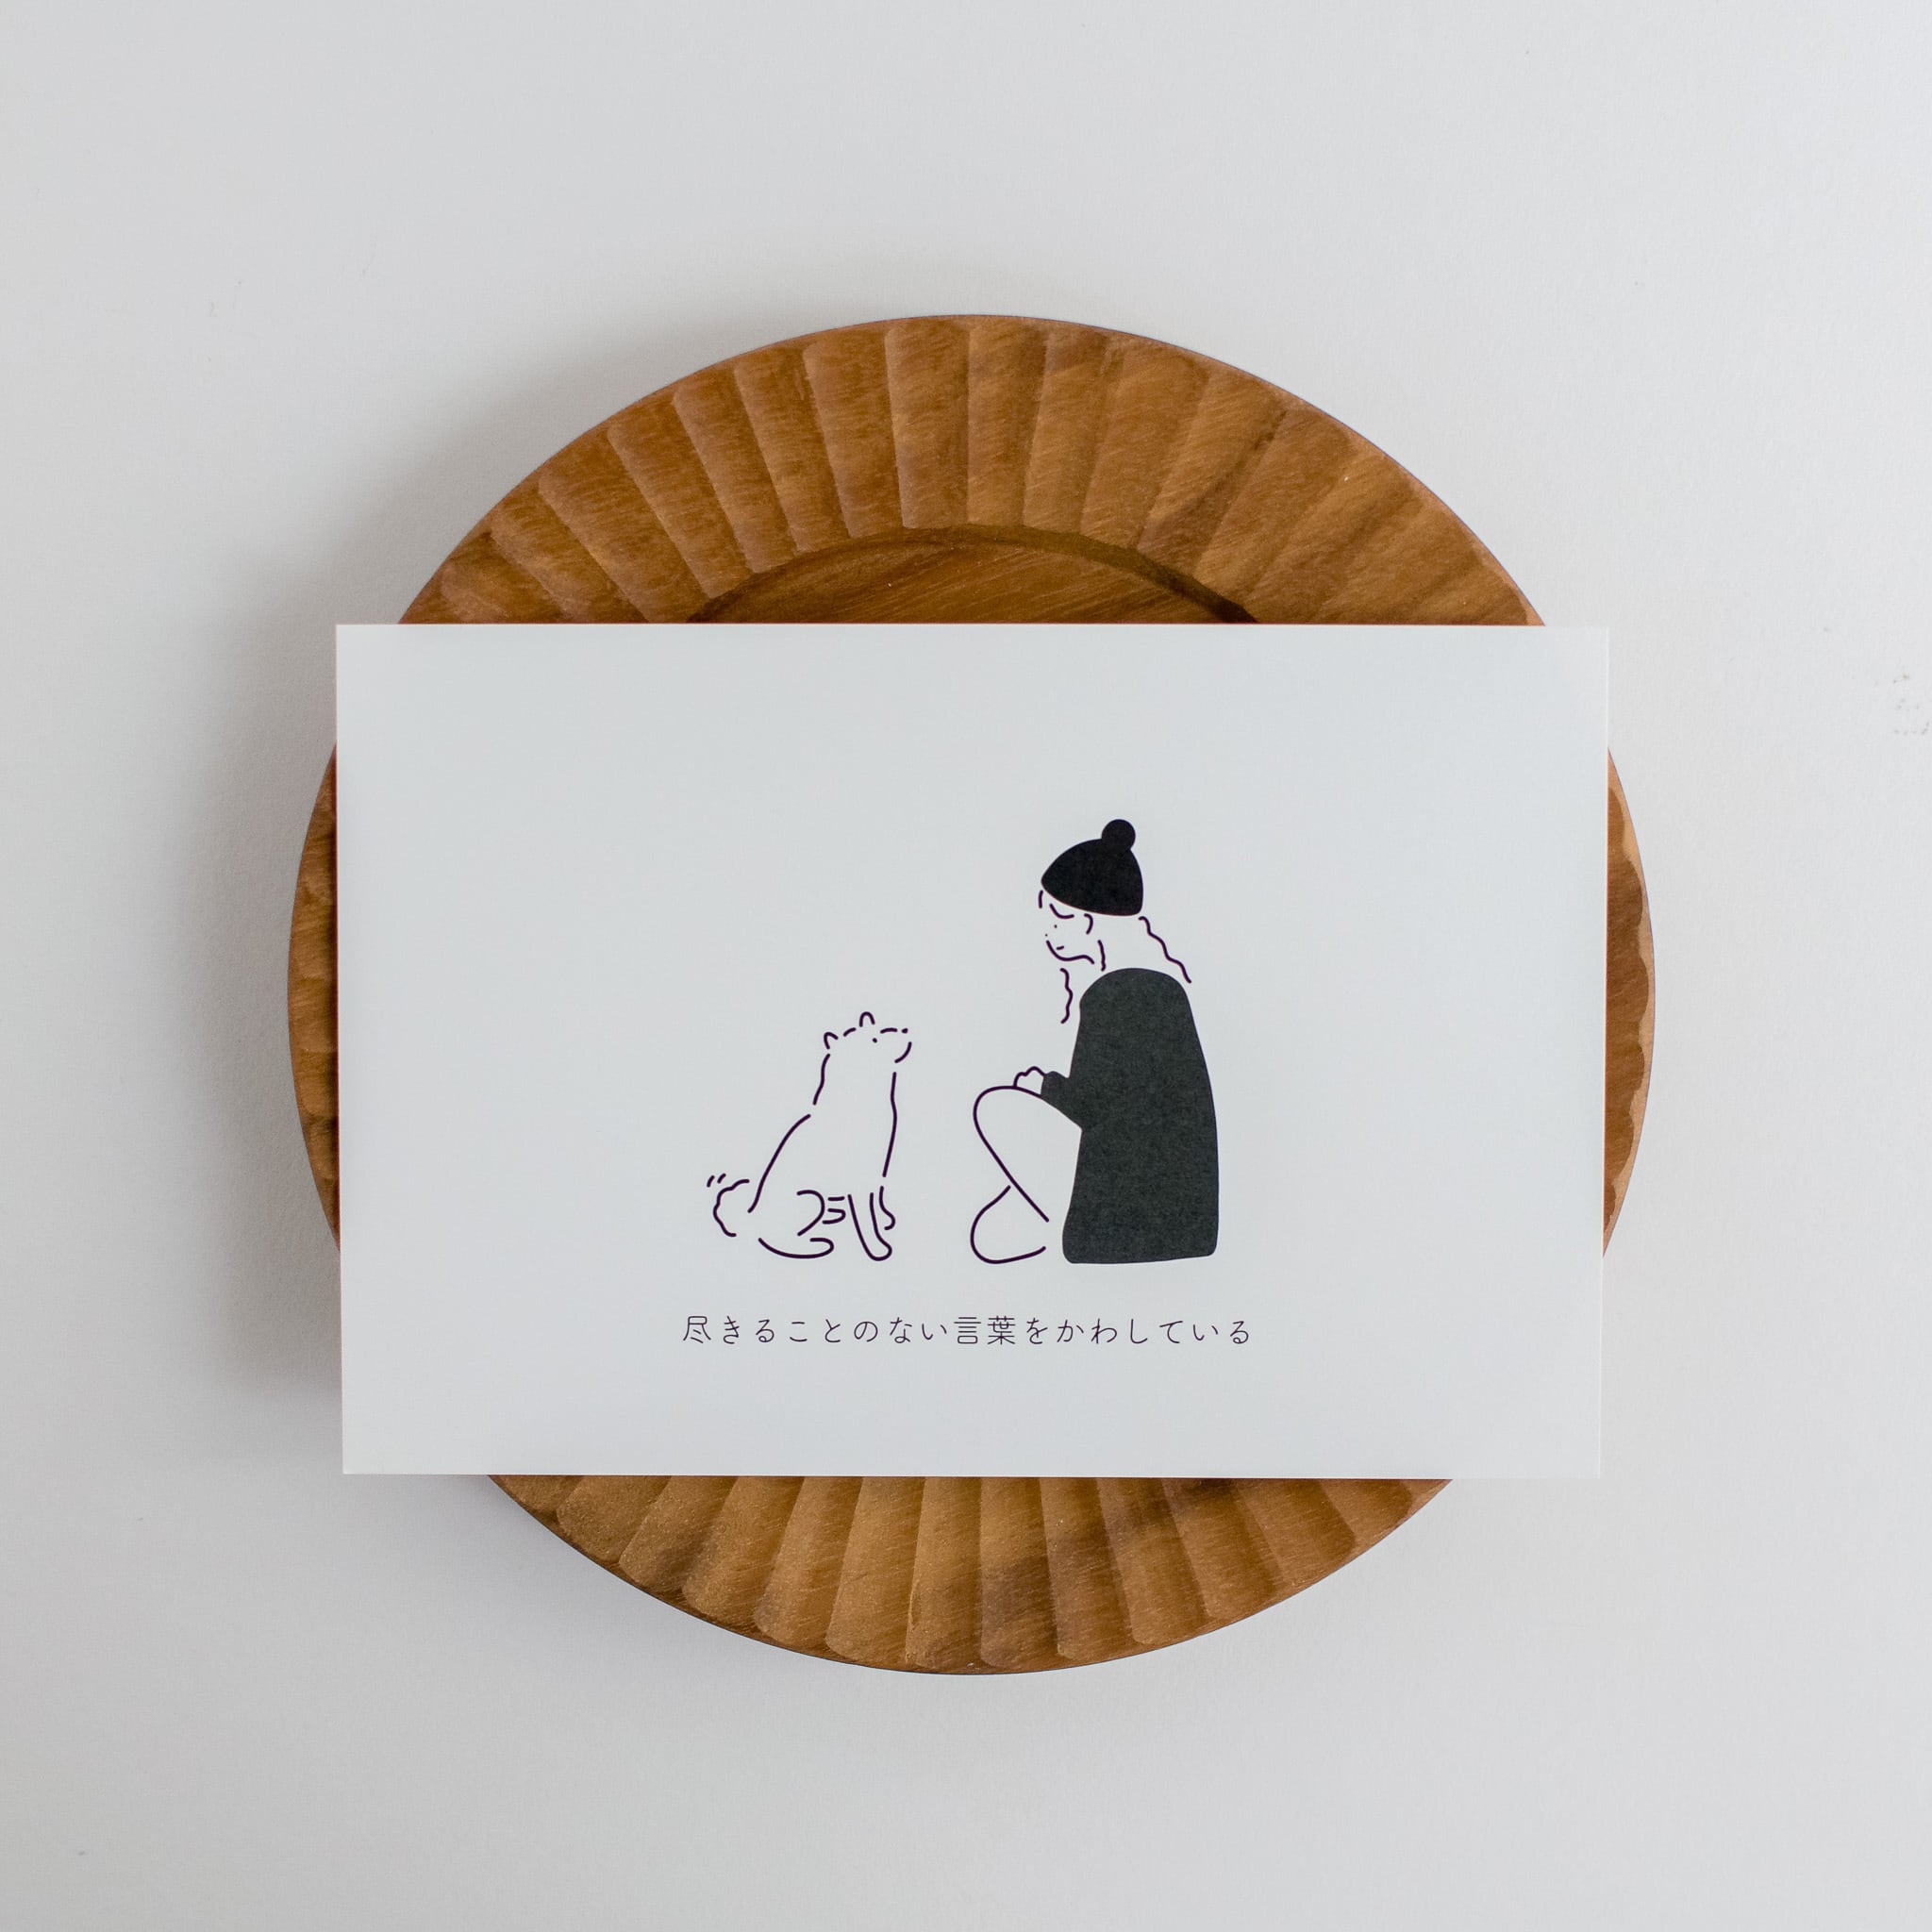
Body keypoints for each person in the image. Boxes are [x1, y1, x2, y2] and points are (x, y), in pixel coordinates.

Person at [971, 820, 1218, 1265]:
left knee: (995, 1106)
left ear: (1087, 923)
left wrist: (1044, 1086)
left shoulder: (1112, 995)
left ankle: (1049, 1222)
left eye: (1057, 916)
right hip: (1184, 1221)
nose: (1048, 929)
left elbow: (1095, 1108)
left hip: (1122, 1224)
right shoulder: (1159, 989)